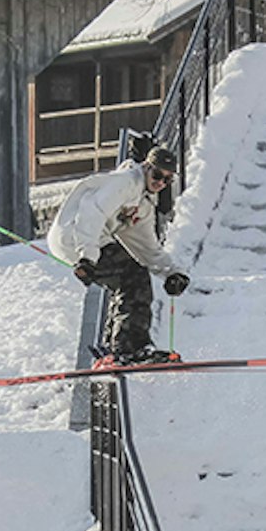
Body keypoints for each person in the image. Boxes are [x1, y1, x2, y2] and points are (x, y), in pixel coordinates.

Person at [49, 144, 192, 367]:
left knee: (129, 276)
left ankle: (115, 348)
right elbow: (91, 210)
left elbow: (146, 248)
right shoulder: (126, 182)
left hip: (93, 241)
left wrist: (172, 273)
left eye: (167, 180)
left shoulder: (143, 204)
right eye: (157, 175)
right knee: (132, 275)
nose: (160, 183)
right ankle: (129, 348)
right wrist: (87, 256)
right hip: (74, 233)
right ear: (146, 167)